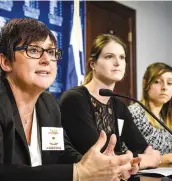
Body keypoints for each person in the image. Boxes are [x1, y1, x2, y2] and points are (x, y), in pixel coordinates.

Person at [0, 18, 138, 181]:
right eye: (34, 50)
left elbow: (61, 153)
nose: (46, 60)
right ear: (6, 62)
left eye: (51, 52)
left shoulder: (48, 104)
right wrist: (77, 173)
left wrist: (104, 168)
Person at [59, 34, 161, 169]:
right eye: (109, 56)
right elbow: (99, 157)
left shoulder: (118, 105)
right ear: (92, 64)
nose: (117, 63)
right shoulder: (74, 99)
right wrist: (145, 161)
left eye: (122, 57)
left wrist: (142, 157)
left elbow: (142, 148)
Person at [128, 62, 172, 164]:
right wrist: (165, 159)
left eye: (170, 83)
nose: (164, 87)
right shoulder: (135, 113)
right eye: (157, 82)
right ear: (145, 84)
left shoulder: (166, 117)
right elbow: (126, 155)